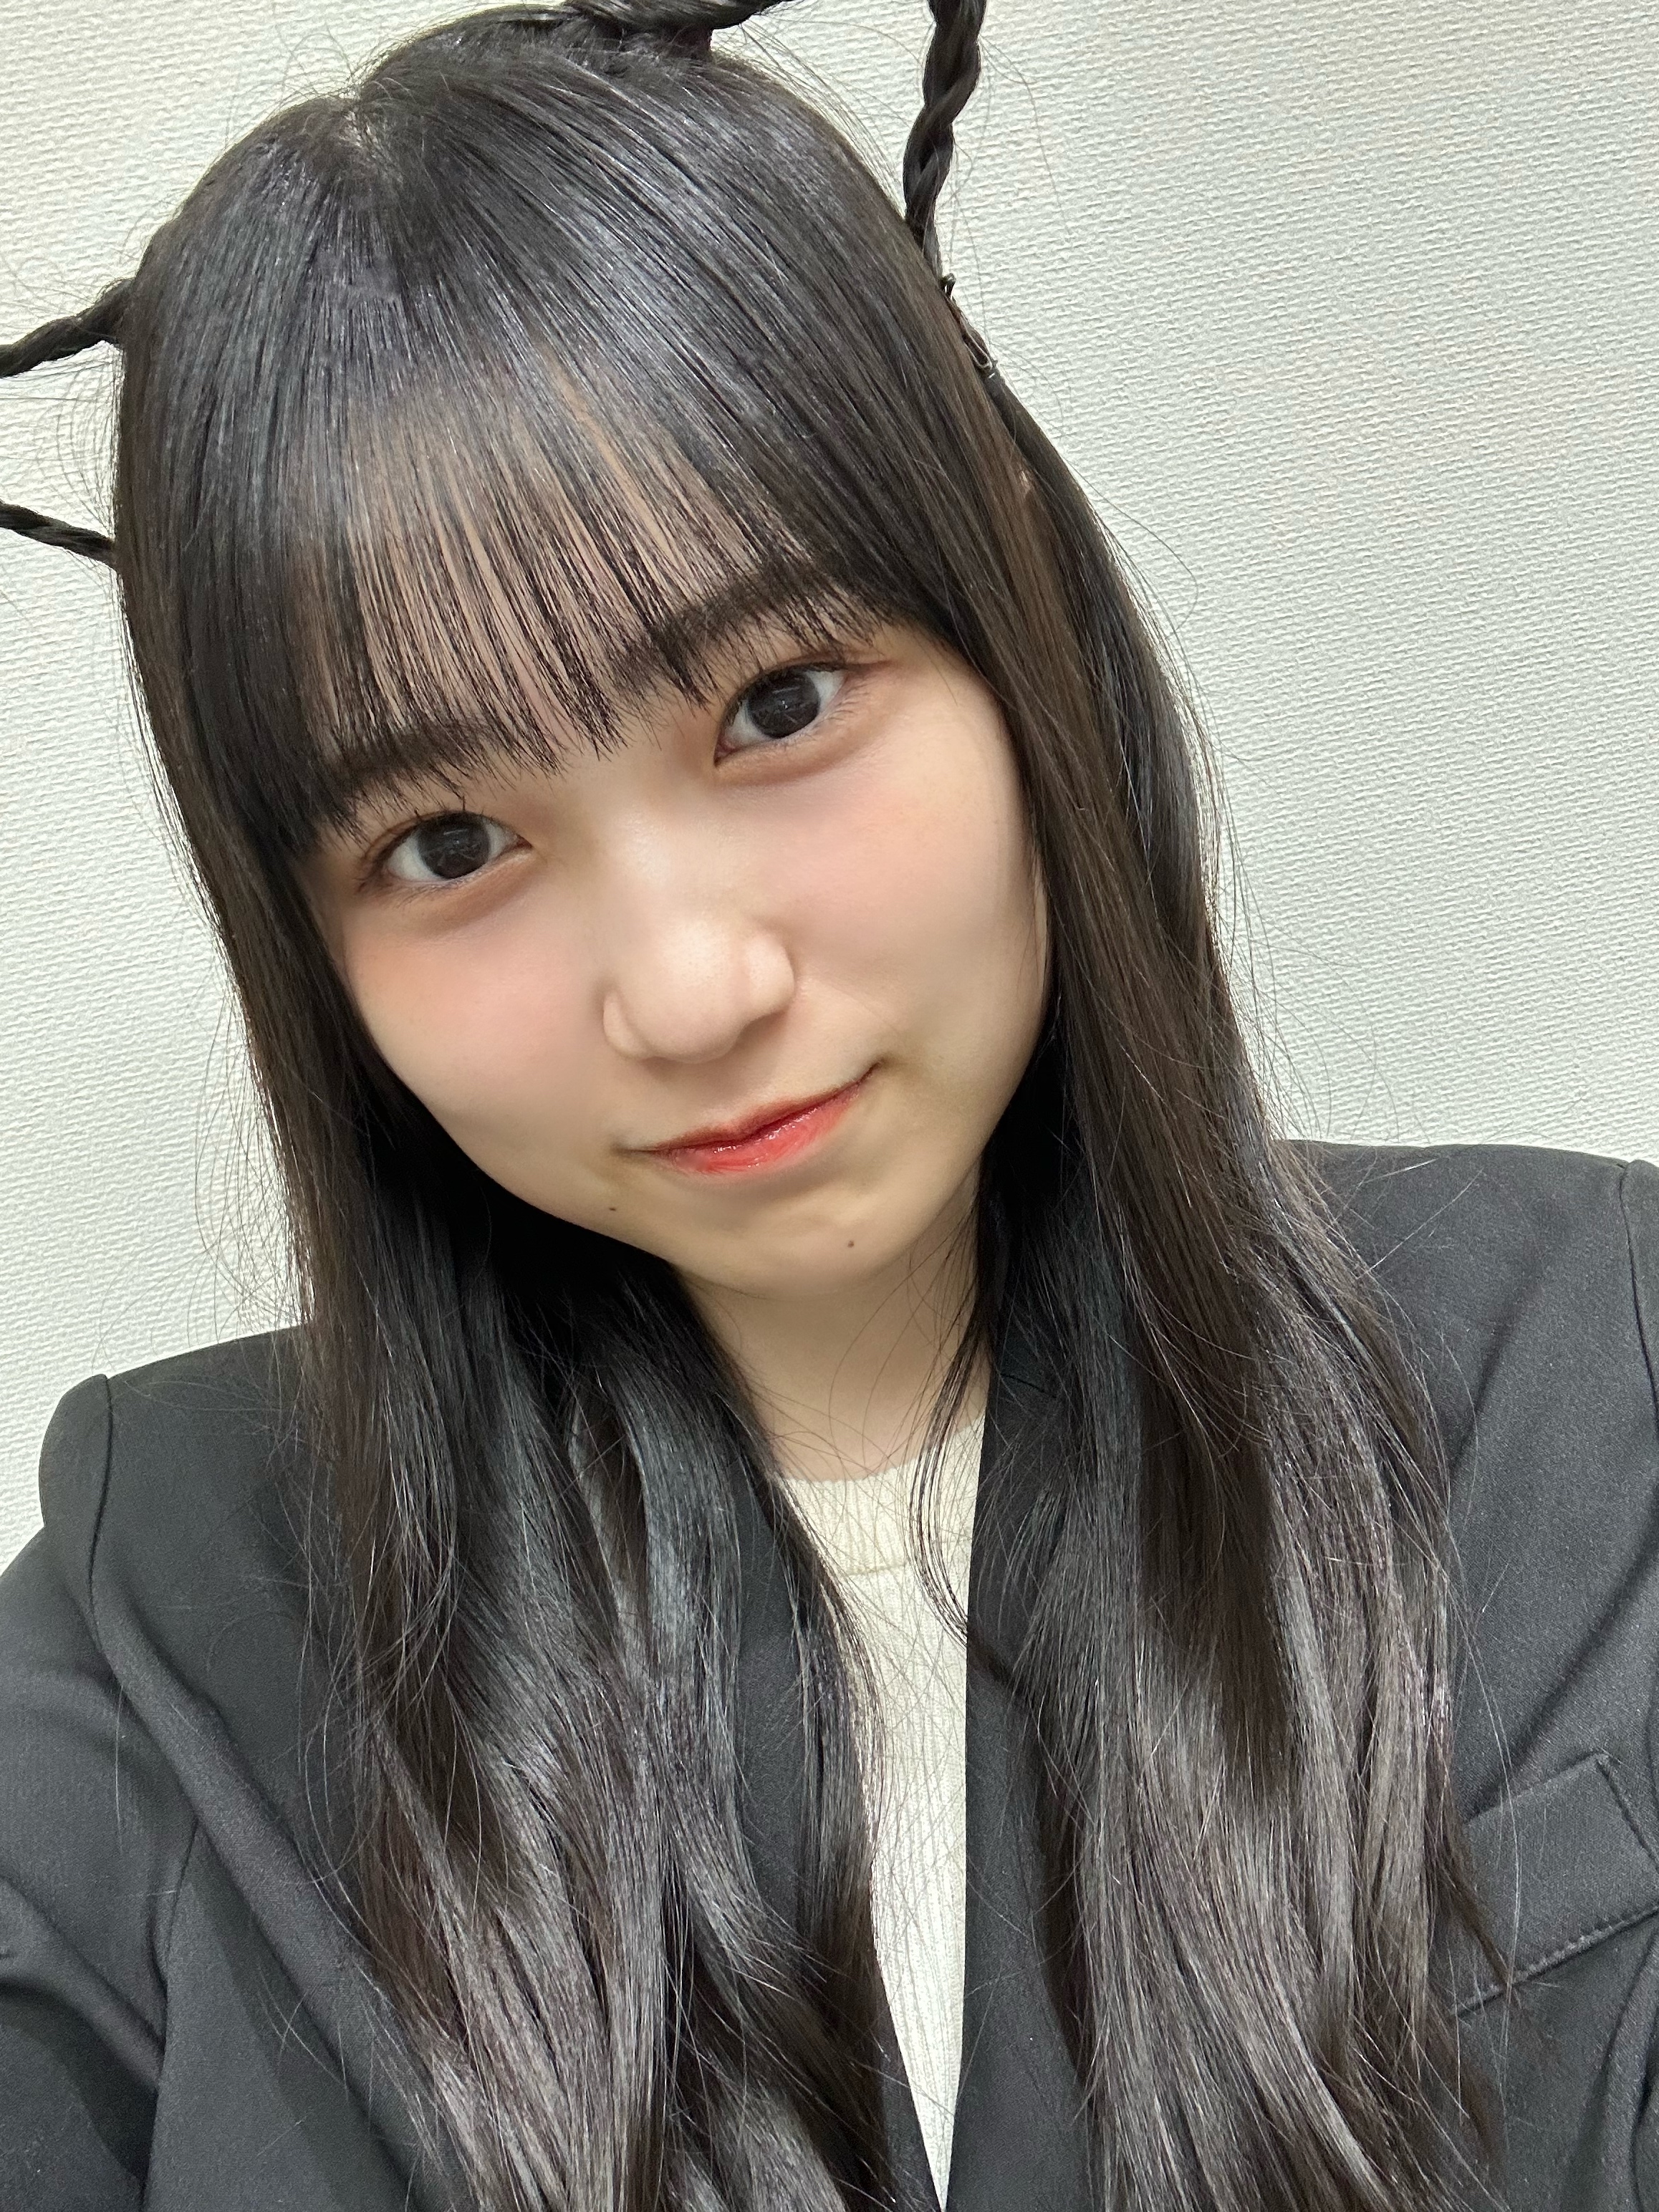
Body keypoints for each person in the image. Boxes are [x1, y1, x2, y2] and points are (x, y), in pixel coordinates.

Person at [1, 3, 1655, 2207]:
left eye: (777, 705)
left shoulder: (1599, 1380)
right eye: (447, 842)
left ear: (1014, 627)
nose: (691, 989)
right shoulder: (159, 1620)